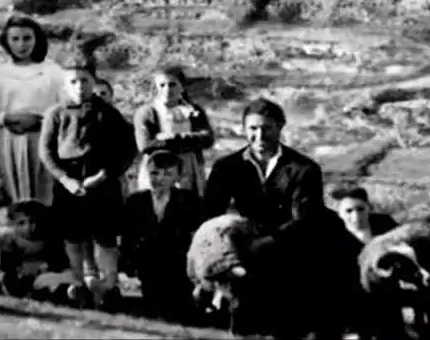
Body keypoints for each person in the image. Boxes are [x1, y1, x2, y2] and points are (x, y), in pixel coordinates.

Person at [203, 98, 357, 340]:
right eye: (253, 129)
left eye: (267, 128)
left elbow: (303, 220)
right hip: (246, 242)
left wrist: (258, 248)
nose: (260, 135)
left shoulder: (304, 168)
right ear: (244, 129)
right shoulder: (227, 167)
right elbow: (211, 213)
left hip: (291, 245)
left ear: (280, 127)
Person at [37, 62, 138, 310]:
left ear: (93, 83)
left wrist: (104, 175)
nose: (79, 86)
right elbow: (46, 151)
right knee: (73, 235)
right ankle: (78, 284)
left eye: (84, 81)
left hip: (102, 184)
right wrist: (65, 179)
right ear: (65, 85)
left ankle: (108, 287)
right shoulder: (56, 113)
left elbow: (127, 150)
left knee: (105, 237)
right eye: (73, 81)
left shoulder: (110, 114)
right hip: (69, 184)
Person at [0, 15, 66, 205]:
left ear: (36, 39)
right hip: (9, 139)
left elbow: (65, 106)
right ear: (7, 41)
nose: (22, 45)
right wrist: (8, 118)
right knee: (15, 189)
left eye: (27, 38)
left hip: (44, 136)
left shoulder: (53, 71)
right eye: (15, 39)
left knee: (44, 188)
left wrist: (41, 119)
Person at [120, 149, 205, 324]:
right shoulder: (136, 201)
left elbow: (195, 239)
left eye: (167, 174)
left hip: (177, 268)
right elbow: (127, 238)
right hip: (145, 266)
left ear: (178, 177)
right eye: (154, 173)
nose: (159, 178)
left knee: (179, 312)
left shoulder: (188, 201)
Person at [132, 66, 214, 195]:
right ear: (155, 87)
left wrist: (170, 138)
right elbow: (145, 145)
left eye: (172, 84)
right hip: (158, 168)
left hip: (189, 170)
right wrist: (189, 141)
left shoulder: (193, 111)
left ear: (182, 87)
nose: (167, 89)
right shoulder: (146, 112)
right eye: (162, 85)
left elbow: (207, 139)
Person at [0, 199, 70, 300]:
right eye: (22, 223)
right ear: (14, 223)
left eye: (34, 221)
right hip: (20, 278)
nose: (29, 227)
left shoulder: (53, 239)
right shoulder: (9, 239)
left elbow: (61, 264)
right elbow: (5, 267)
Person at [331, 186, 400, 243]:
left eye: (360, 209)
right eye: (349, 211)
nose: (356, 216)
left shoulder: (384, 222)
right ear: (339, 213)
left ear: (369, 208)